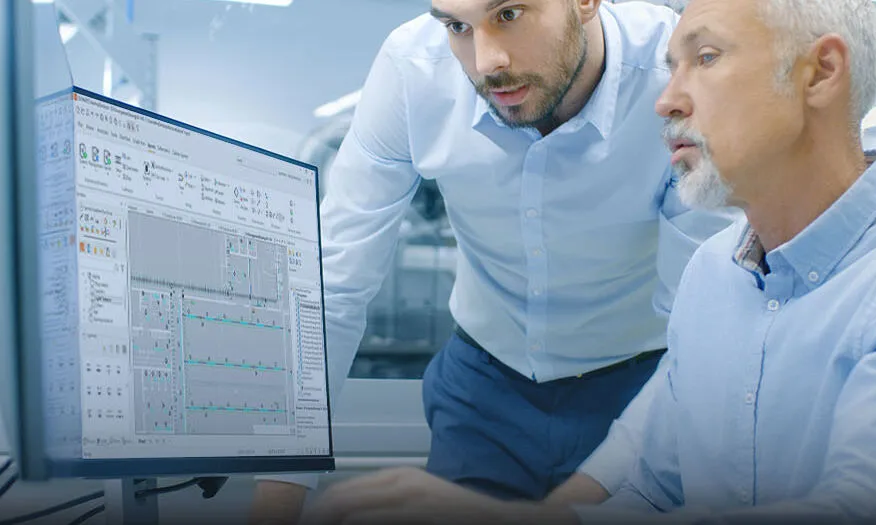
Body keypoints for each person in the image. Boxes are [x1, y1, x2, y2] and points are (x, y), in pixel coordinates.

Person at [298, 0, 876, 523]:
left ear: (820, 73)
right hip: (490, 361)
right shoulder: (719, 278)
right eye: (671, 66)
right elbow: (644, 478)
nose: (664, 100)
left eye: (705, 58)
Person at [249, 0, 731, 521]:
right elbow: (334, 288)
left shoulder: (675, 76)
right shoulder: (413, 68)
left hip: (644, 382)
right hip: (485, 385)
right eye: (457, 26)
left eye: (508, 14)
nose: (485, 62)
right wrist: (276, 501)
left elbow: (701, 326)